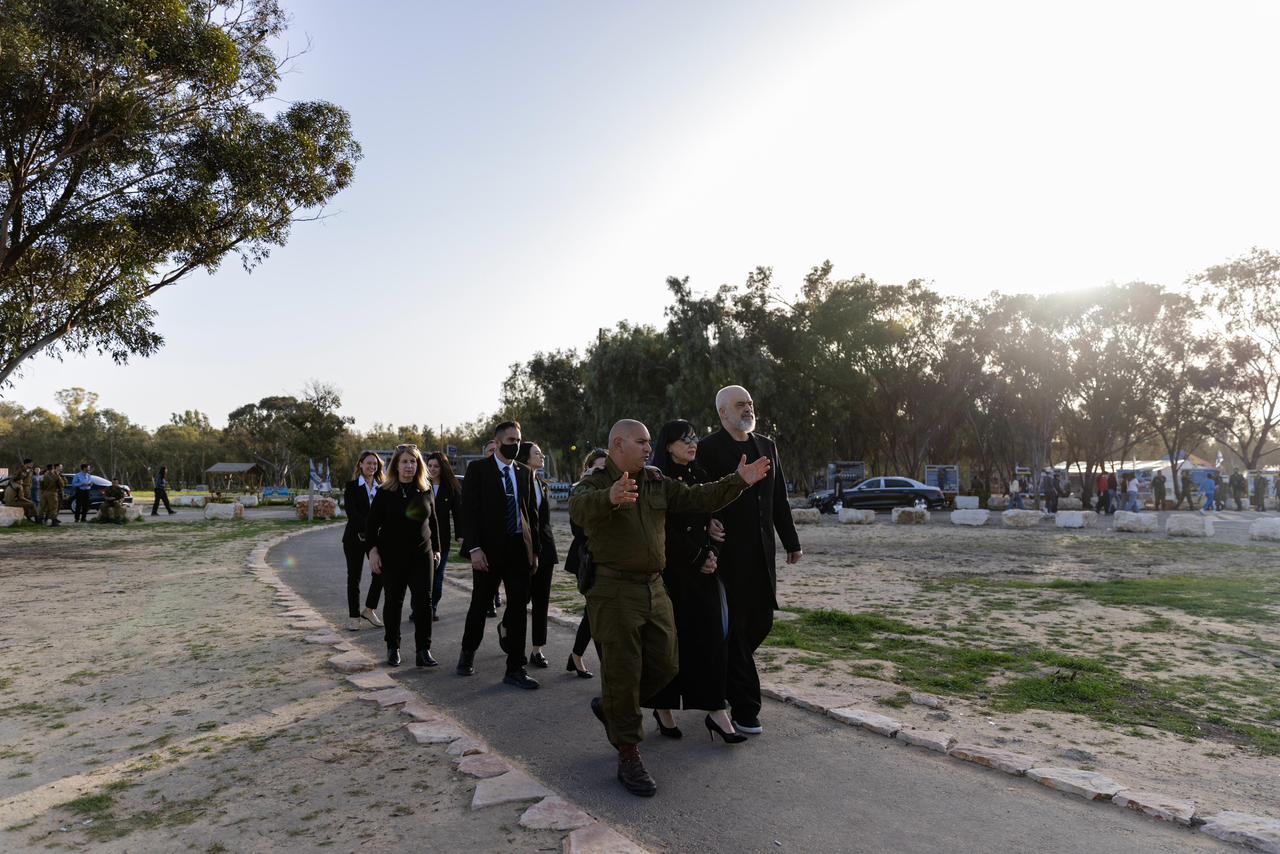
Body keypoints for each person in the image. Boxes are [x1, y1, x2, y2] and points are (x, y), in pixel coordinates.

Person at [570, 419, 771, 796]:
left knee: (667, 663)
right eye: (641, 442)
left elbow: (698, 498)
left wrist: (738, 481)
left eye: (650, 442)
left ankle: (615, 706)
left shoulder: (656, 481)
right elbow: (579, 509)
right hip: (614, 591)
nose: (649, 448)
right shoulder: (595, 482)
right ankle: (628, 754)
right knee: (623, 669)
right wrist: (609, 497)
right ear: (618, 445)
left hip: (654, 587)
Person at [696, 386, 802, 736]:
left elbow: (778, 498)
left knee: (761, 622)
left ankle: (724, 678)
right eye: (740, 404)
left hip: (762, 553)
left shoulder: (766, 445)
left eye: (750, 404)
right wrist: (706, 523)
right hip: (726, 554)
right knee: (738, 628)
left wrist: (791, 542)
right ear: (723, 412)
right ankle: (746, 709)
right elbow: (696, 497)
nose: (748, 409)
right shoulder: (708, 449)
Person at [647, 420, 746, 745]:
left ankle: (716, 710)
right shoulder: (656, 481)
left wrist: (713, 550)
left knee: (713, 641)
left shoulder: (700, 475)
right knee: (668, 645)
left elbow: (716, 515)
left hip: (705, 572)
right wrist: (697, 556)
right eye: (684, 439)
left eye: (694, 438)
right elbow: (663, 530)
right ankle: (663, 707)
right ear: (668, 446)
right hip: (673, 574)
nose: (692, 444)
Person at [455, 421, 541, 689]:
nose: (516, 444)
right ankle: (467, 653)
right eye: (511, 440)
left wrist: (535, 551)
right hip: (488, 553)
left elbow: (531, 515)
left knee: (518, 609)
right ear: (498, 441)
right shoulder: (478, 470)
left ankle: (515, 668)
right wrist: (474, 548)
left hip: (518, 551)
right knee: (480, 605)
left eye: (519, 440)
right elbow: (468, 512)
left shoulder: (524, 472)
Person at [366, 444, 440, 668]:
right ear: (396, 466)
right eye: (405, 461)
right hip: (392, 556)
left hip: (422, 555)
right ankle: (393, 647)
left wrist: (437, 549)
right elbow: (371, 526)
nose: (409, 465)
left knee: (424, 603)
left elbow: (433, 522)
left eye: (413, 461)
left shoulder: (425, 490)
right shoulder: (385, 492)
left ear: (418, 465)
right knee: (393, 602)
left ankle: (423, 650)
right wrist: (373, 552)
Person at [563, 449, 609, 679]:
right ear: (588, 469)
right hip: (587, 559)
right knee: (595, 613)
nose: (603, 471)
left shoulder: (615, 489)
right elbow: (577, 529)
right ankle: (607, 673)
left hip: (609, 559)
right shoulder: (580, 490)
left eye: (606, 467)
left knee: (593, 613)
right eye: (598, 467)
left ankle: (577, 656)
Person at [514, 441, 558, 669]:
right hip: (523, 550)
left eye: (542, 453)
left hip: (546, 550)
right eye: (537, 453)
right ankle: (508, 629)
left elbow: (545, 521)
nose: (542, 457)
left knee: (542, 601)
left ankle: (537, 649)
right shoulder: (516, 482)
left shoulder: (542, 484)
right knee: (520, 600)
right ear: (525, 457)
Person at [342, 451, 387, 631]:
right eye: (368, 463)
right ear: (360, 464)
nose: (372, 466)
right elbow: (352, 514)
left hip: (375, 540)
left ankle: (369, 609)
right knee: (354, 578)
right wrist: (372, 526)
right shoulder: (351, 487)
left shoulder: (382, 488)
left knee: (380, 572)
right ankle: (354, 617)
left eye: (375, 464)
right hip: (354, 538)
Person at [425, 452, 463, 623]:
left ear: (443, 468)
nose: (432, 469)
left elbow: (458, 514)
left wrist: (461, 536)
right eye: (430, 465)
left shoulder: (451, 488)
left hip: (442, 539)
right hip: (422, 538)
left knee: (438, 576)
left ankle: (432, 608)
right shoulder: (420, 485)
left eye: (436, 466)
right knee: (422, 577)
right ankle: (419, 608)